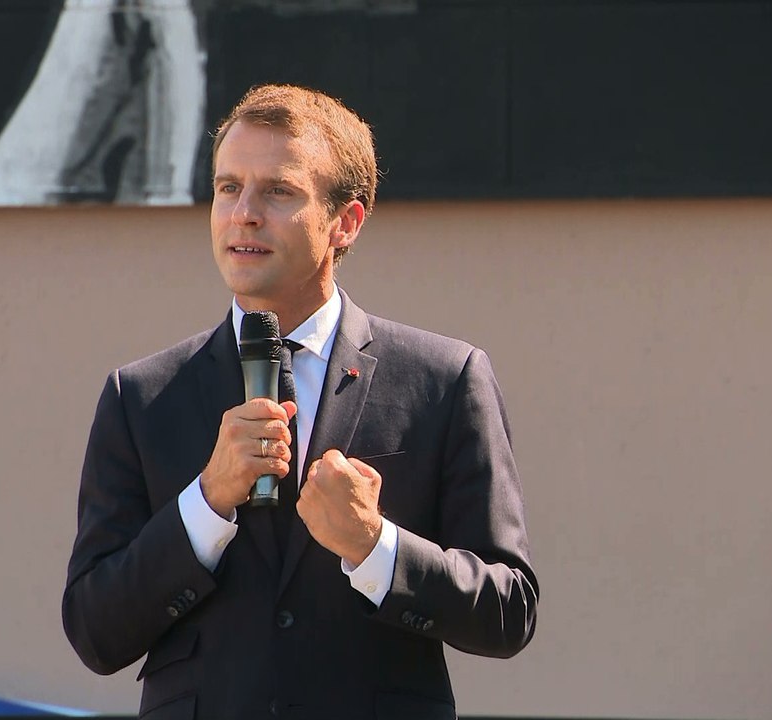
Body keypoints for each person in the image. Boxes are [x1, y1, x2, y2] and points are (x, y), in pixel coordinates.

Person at [63, 84, 537, 720]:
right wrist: (205, 503)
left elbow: (507, 611)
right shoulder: (141, 396)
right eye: (228, 187)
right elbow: (94, 631)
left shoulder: (445, 380)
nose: (243, 214)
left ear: (345, 222)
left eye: (278, 191)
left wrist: (375, 545)